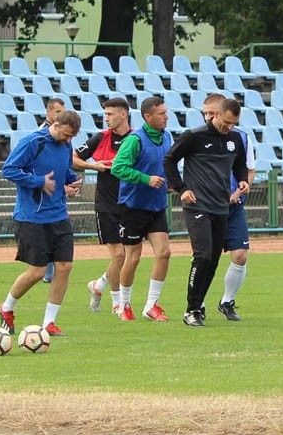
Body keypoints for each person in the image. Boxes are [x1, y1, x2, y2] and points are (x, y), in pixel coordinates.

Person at [163, 95, 249, 327]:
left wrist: (242, 179)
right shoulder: (194, 136)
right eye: (226, 122)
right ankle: (191, 309)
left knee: (212, 259)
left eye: (233, 124)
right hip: (197, 205)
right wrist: (181, 188)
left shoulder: (234, 139)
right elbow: (169, 160)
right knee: (202, 256)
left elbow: (240, 164)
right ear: (216, 114)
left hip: (221, 206)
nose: (229, 127)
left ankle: (198, 305)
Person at [0, 109, 82, 336]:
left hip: (59, 215)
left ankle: (49, 323)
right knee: (37, 271)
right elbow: (8, 170)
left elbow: (63, 171)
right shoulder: (33, 142)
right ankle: (6, 308)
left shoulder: (66, 145)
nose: (68, 140)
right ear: (56, 124)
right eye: (66, 135)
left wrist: (72, 181)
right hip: (32, 216)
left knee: (64, 267)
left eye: (71, 137)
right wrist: (38, 181)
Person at [110, 96, 174, 322]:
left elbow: (166, 165)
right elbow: (118, 168)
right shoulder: (134, 140)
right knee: (133, 257)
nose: (166, 116)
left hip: (156, 206)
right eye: (161, 113)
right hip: (133, 207)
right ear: (148, 117)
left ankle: (151, 305)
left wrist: (172, 183)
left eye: (166, 112)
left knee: (164, 253)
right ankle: (124, 304)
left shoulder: (167, 137)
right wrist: (146, 179)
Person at [73, 96, 132, 315]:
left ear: (123, 114)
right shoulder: (100, 137)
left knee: (126, 256)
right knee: (119, 256)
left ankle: (99, 285)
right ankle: (117, 303)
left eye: (109, 114)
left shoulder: (136, 139)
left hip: (130, 203)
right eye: (105, 114)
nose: (106, 118)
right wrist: (93, 166)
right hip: (106, 204)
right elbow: (73, 158)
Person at [203, 95, 256, 322]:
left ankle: (227, 301)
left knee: (240, 255)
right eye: (206, 113)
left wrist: (239, 192)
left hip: (233, 207)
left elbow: (249, 170)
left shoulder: (241, 138)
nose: (209, 117)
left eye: (212, 113)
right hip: (207, 207)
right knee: (205, 258)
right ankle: (197, 303)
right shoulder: (197, 137)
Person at [39, 97, 67, 284]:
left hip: (56, 198)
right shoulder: (41, 136)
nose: (61, 115)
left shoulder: (63, 138)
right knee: (47, 236)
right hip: (42, 199)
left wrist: (69, 180)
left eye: (63, 112)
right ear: (48, 112)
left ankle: (49, 273)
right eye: (57, 112)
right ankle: (46, 272)